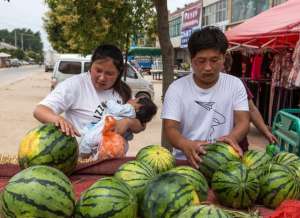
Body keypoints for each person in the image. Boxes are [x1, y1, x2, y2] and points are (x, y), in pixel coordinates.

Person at [161, 26, 250, 168]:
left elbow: (243, 121)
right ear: (191, 59)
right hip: (186, 162)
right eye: (201, 61)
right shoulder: (176, 89)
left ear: (224, 57)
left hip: (225, 162)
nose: (208, 67)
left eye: (214, 60)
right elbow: (170, 127)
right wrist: (185, 144)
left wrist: (232, 138)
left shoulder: (235, 85)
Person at [33, 44, 145, 148]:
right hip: (80, 161)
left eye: (109, 73)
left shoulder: (124, 91)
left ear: (119, 73)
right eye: (98, 70)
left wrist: (128, 122)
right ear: (91, 66)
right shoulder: (75, 85)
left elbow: (141, 125)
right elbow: (40, 110)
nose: (102, 78)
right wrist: (57, 119)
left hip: (112, 160)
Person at [224, 52, 278, 147]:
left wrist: (266, 132)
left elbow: (252, 109)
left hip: (237, 144)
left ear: (226, 67)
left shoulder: (237, 84)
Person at [80, 97, 157, 159]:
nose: (131, 99)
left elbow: (116, 109)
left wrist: (108, 102)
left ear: (138, 107)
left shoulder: (130, 109)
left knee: (87, 141)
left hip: (105, 128)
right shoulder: (136, 118)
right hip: (113, 141)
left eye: (134, 99)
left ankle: (83, 158)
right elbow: (130, 136)